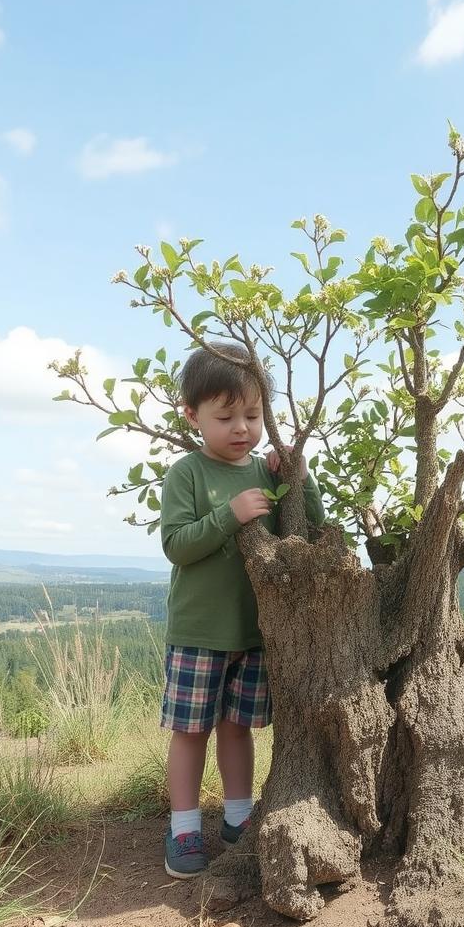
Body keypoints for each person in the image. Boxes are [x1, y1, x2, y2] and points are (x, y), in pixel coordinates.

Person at [159, 342, 323, 878]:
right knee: (190, 732)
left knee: (238, 728)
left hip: (255, 634)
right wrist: (229, 515)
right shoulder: (187, 474)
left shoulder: (268, 472)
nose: (241, 428)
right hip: (199, 631)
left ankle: (238, 817)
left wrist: (299, 474)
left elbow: (309, 528)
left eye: (252, 415)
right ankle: (184, 829)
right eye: (225, 416)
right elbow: (178, 544)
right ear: (193, 415)